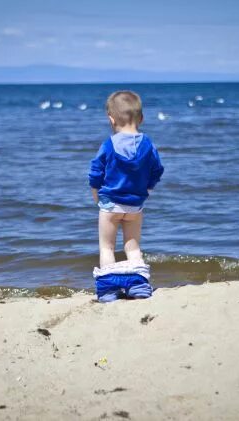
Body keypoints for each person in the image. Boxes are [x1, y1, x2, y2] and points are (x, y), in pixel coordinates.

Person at [88, 90, 164, 302]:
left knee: (107, 247)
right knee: (132, 246)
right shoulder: (148, 144)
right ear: (141, 118)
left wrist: (96, 193)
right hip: (135, 206)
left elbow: (95, 172)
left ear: (111, 119)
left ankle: (109, 290)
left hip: (110, 205)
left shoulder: (109, 145)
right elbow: (157, 170)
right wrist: (147, 189)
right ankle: (138, 286)